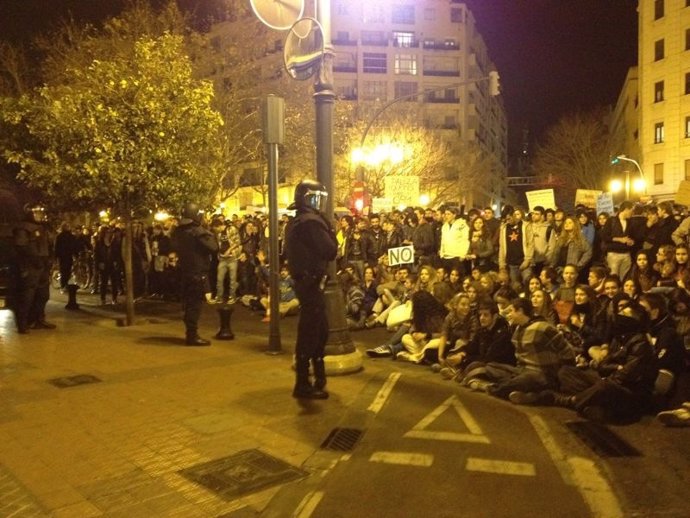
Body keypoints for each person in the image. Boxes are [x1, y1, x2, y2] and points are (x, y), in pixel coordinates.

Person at [285, 179, 338, 400]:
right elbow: (330, 250)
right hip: (311, 283)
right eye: (316, 199)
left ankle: (317, 376)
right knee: (311, 333)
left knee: (319, 330)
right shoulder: (310, 223)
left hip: (307, 282)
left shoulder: (297, 221)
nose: (320, 204)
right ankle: (303, 383)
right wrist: (330, 227)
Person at [171, 203, 218, 346]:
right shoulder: (197, 231)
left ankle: (190, 333)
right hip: (197, 272)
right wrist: (206, 229)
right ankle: (192, 336)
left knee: (189, 304)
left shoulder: (178, 231)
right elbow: (214, 247)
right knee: (194, 305)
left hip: (185, 271)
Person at [12, 205, 55, 333]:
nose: (40, 215)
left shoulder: (43, 228)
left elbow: (48, 245)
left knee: (43, 295)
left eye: (41, 213)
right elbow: (21, 246)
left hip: (43, 266)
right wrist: (34, 260)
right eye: (36, 213)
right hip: (30, 266)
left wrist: (49, 259)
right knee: (27, 297)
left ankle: (39, 320)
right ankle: (23, 324)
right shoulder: (23, 228)